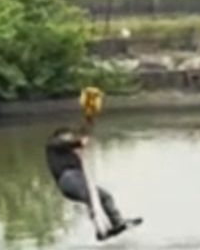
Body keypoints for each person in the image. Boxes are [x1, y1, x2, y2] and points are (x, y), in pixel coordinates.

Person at [45, 96, 141, 240]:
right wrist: (79, 142)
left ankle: (117, 222)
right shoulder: (53, 144)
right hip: (68, 179)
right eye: (68, 136)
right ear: (60, 136)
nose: (70, 138)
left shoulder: (69, 147)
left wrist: (90, 118)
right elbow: (71, 142)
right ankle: (99, 229)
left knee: (105, 197)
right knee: (90, 197)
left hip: (79, 178)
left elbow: (83, 134)